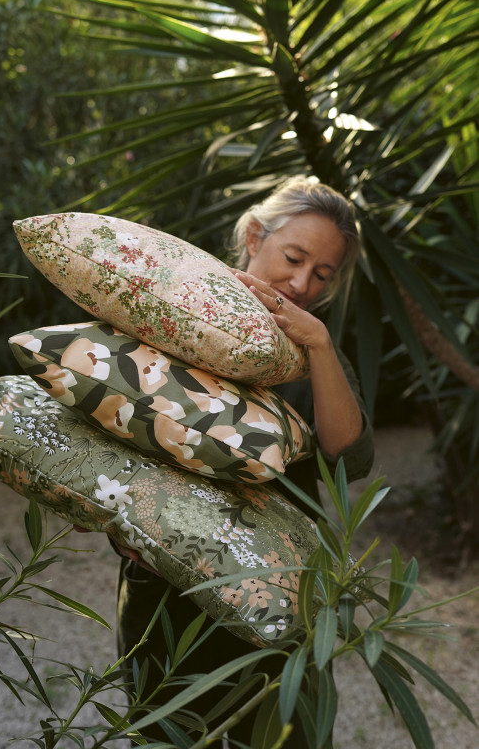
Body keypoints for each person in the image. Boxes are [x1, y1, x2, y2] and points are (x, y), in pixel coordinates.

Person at [115, 176, 375, 746]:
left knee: (286, 734)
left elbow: (350, 456)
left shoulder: (309, 352)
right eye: (294, 257)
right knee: (168, 732)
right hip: (166, 592)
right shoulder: (174, 311)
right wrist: (121, 527)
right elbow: (113, 422)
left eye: (322, 274)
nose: (303, 283)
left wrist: (322, 347)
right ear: (255, 235)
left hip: (279, 595)